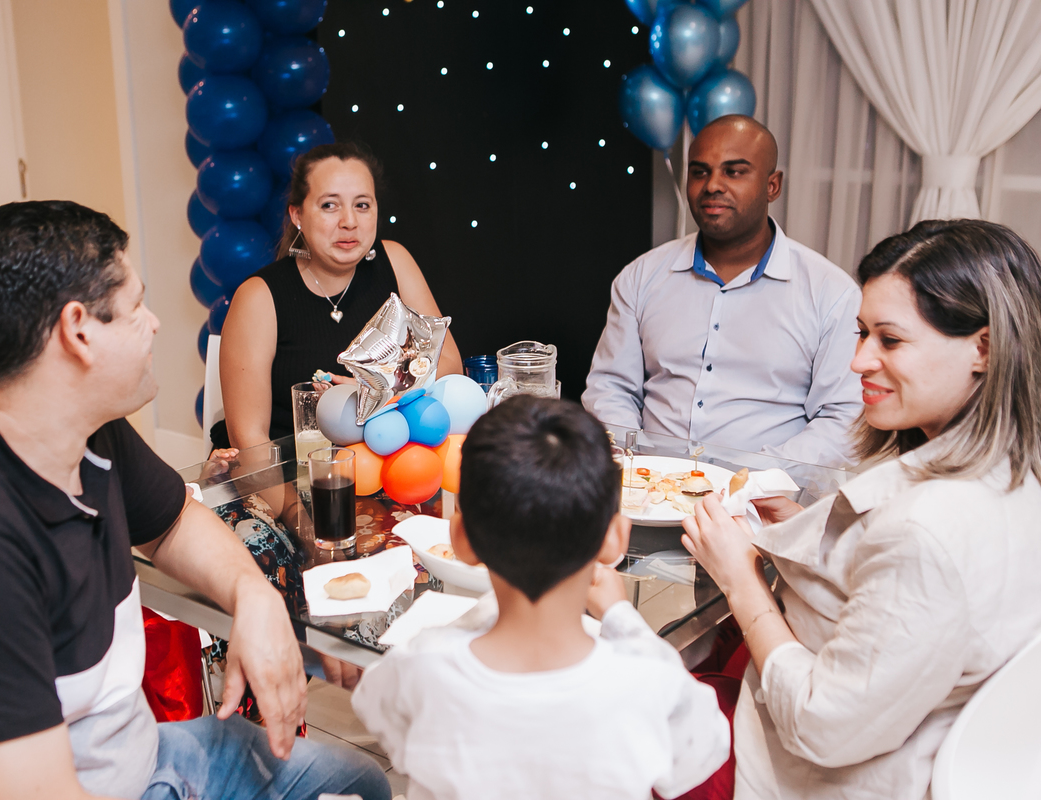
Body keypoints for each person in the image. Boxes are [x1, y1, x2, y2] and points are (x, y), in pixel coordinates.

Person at [0, 201, 390, 800]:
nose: (154, 324)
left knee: (361, 783)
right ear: (78, 331)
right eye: (136, 308)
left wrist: (253, 596)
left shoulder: (77, 426)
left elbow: (173, 522)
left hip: (144, 761)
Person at [681, 219, 1041, 799]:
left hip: (807, 774)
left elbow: (820, 728)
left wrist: (739, 580)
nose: (859, 362)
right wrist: (804, 524)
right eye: (861, 333)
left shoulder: (928, 532)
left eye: (889, 340)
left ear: (984, 348)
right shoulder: (1014, 474)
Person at [351, 395, 730, 799]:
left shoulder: (419, 666)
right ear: (616, 538)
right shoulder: (652, 682)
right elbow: (700, 753)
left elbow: (377, 712)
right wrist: (621, 616)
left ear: (460, 538)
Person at [583, 115, 862, 468]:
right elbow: (611, 388)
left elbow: (843, 419)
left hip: (767, 496)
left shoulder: (831, 294)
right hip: (650, 486)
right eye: (700, 172)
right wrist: (633, 466)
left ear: (772, 186)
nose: (712, 185)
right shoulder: (641, 276)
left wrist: (753, 481)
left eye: (734, 171)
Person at [219, 142, 462, 450]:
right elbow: (249, 438)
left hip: (391, 461)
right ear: (297, 214)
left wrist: (382, 386)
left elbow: (450, 363)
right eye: (329, 205)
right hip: (298, 469)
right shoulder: (259, 296)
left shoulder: (395, 261)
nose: (349, 221)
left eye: (362, 205)